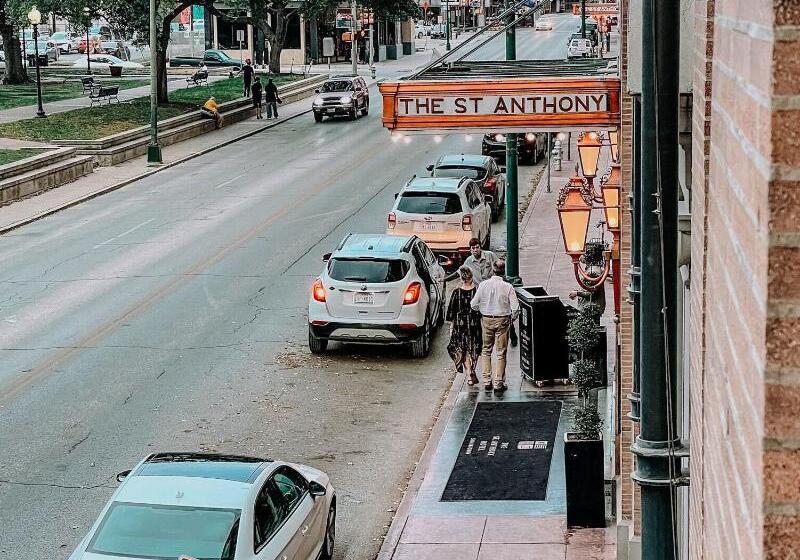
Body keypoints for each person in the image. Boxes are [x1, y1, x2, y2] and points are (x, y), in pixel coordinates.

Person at [447, 238, 518, 347]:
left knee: (503, 310)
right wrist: (445, 279)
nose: (475, 250)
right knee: (480, 315)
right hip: (480, 291)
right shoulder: (469, 261)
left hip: (493, 288)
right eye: (473, 248)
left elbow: (499, 265)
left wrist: (503, 279)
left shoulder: (489, 255)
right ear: (470, 250)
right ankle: (480, 339)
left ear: (480, 248)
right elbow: (459, 272)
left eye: (477, 247)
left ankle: (513, 336)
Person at [471, 259, 520, 393]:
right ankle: (499, 382)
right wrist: (511, 318)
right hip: (502, 319)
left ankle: (487, 380)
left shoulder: (483, 285)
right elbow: (515, 308)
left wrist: (482, 309)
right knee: (501, 352)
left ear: (492, 270)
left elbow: (473, 304)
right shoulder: (508, 287)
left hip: (486, 318)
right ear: (503, 272)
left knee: (486, 350)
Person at [446, 266, 483, 387]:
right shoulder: (477, 291)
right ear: (471, 277)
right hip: (474, 324)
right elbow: (481, 309)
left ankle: (469, 374)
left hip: (460, 325)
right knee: (474, 348)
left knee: (464, 350)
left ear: (462, 278)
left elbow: (451, 313)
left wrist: (451, 328)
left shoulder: (456, 293)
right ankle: (472, 369)